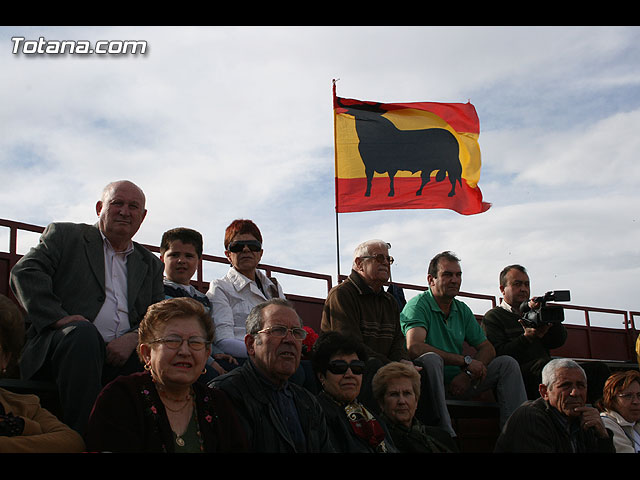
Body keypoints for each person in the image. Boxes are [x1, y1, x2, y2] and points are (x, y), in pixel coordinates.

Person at [9, 180, 164, 434]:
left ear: (143, 216)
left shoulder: (151, 264)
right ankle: (85, 438)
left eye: (133, 206)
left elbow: (156, 315)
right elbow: (25, 272)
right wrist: (59, 318)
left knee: (159, 356)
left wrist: (133, 338)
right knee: (83, 334)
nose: (125, 211)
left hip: (123, 352)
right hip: (66, 346)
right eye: (117, 203)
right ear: (99, 207)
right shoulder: (66, 236)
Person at [85, 297, 248, 453]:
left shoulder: (218, 403)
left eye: (195, 342)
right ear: (147, 353)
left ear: (207, 354)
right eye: (172, 340)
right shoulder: (121, 396)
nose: (185, 351)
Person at [400, 251, 527, 438]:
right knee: (431, 360)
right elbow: (415, 347)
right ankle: (446, 435)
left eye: (458, 275)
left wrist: (467, 375)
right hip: (428, 385)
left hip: (460, 382)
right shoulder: (418, 305)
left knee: (507, 364)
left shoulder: (461, 309)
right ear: (431, 279)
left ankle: (517, 437)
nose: (455, 280)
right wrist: (465, 362)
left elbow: (487, 348)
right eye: (447, 274)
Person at [209, 298, 334, 452]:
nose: (290, 340)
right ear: (250, 344)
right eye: (278, 330)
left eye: (296, 333)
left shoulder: (309, 402)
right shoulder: (224, 395)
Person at [321, 240, 423, 417]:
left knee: (420, 370)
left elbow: (398, 341)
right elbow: (351, 345)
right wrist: (393, 366)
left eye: (388, 259)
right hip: (348, 366)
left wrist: (403, 362)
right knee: (371, 365)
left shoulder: (390, 301)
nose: (385, 263)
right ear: (359, 263)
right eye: (379, 258)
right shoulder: (342, 294)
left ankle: (420, 431)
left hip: (381, 364)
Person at [0, 294, 85, 453]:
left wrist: (21, 426)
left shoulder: (26, 406)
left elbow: (72, 442)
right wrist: (31, 429)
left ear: (5, 358)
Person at [160, 227, 238, 378]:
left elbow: (205, 335)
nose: (181, 260)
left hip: (203, 354)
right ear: (162, 258)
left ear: (198, 261)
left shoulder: (202, 299)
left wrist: (218, 353)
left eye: (189, 256)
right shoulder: (158, 291)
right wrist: (210, 361)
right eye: (174, 255)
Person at [482, 264, 567, 399]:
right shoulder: (494, 317)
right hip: (515, 378)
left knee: (597, 370)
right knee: (545, 367)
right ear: (502, 289)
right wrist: (526, 339)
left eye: (526, 285)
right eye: (517, 284)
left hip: (544, 371)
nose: (523, 289)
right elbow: (498, 355)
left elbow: (559, 341)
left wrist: (548, 318)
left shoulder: (536, 313)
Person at [494, 358, 614, 453]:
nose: (575, 393)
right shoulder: (530, 417)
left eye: (580, 385)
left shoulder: (585, 420)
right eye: (565, 385)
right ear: (544, 391)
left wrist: (603, 436)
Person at [206, 219, 284, 360]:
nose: (246, 249)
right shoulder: (220, 288)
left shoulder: (273, 287)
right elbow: (223, 341)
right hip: (244, 359)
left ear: (260, 253)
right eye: (237, 246)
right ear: (228, 255)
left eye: (253, 246)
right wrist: (264, 354)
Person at [311, 331, 395, 453]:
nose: (349, 374)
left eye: (356, 367)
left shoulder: (372, 417)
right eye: (339, 367)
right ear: (321, 376)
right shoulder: (316, 415)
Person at [371, 361, 458, 453]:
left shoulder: (441, 437)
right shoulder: (376, 441)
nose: (402, 401)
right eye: (394, 394)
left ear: (416, 400)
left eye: (407, 393)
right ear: (381, 403)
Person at [596, 370, 640, 453]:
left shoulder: (635, 423)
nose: (636, 401)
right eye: (628, 396)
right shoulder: (606, 424)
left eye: (639, 395)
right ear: (612, 399)